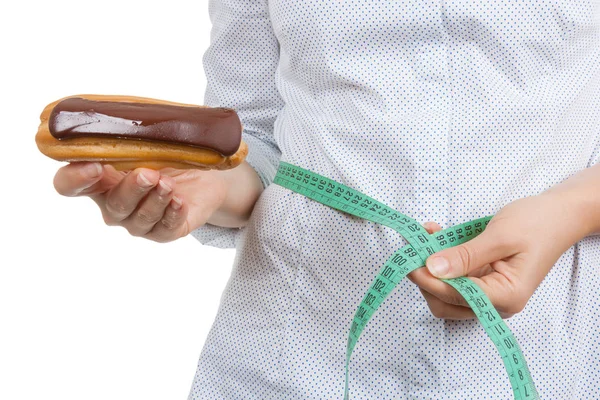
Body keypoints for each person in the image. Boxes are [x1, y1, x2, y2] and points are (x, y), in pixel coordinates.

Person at [53, 0, 600, 398]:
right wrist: (206, 189)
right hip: (291, 348)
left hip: (554, 350)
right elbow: (256, 143)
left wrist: (571, 212)